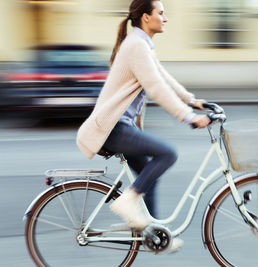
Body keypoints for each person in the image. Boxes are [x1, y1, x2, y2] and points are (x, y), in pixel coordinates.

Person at [76, 0, 210, 249]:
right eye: (161, 13)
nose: (165, 18)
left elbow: (162, 76)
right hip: (114, 128)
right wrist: (188, 116)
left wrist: (191, 100)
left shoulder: (141, 45)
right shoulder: (136, 46)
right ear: (146, 17)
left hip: (121, 127)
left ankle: (150, 232)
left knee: (150, 174)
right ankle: (128, 203)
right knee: (168, 153)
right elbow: (156, 88)